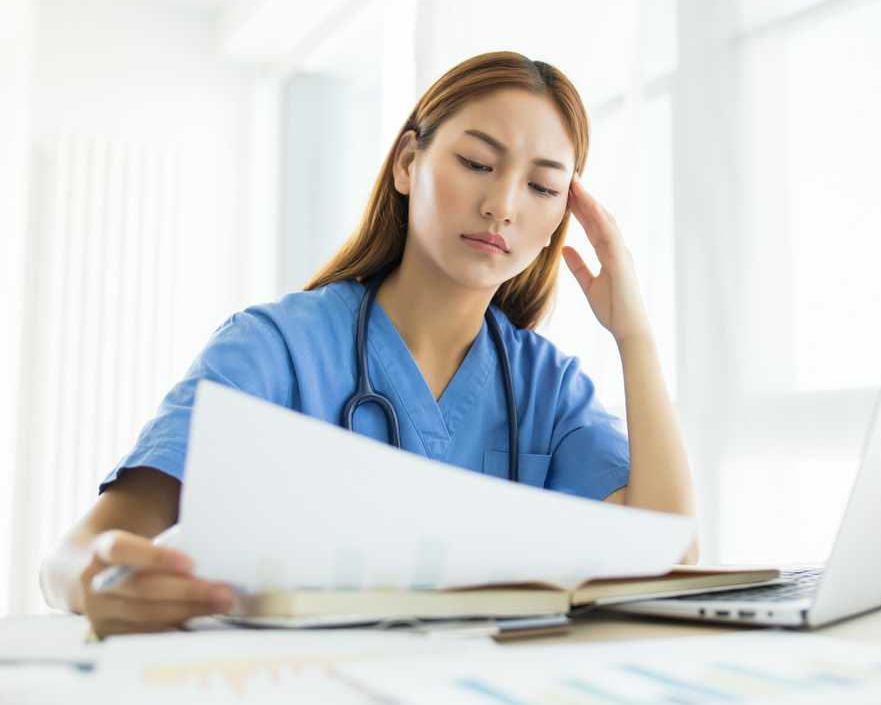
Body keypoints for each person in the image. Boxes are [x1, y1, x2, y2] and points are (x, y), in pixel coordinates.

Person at [40, 51, 698, 638]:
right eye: (476, 162)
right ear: (408, 163)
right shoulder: (274, 349)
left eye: (542, 186)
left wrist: (633, 334)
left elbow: (669, 559)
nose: (502, 204)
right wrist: (95, 581)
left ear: (562, 215)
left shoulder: (549, 388)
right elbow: (74, 556)